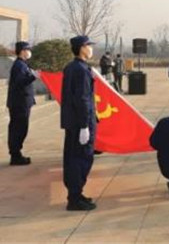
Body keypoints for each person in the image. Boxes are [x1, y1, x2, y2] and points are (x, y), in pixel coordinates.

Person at [61, 35, 98, 211]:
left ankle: (75, 194)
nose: (91, 49)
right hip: (80, 122)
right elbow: (82, 99)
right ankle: (74, 198)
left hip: (73, 121)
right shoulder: (81, 70)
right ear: (81, 48)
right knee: (81, 159)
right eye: (88, 45)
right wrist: (84, 125)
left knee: (73, 158)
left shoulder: (72, 67)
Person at [6, 41, 38, 166]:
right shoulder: (19, 65)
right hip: (19, 103)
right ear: (22, 51)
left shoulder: (23, 64)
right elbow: (20, 82)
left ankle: (17, 153)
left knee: (21, 128)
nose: (29, 52)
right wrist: (33, 76)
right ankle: (15, 155)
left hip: (22, 102)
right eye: (27, 50)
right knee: (18, 129)